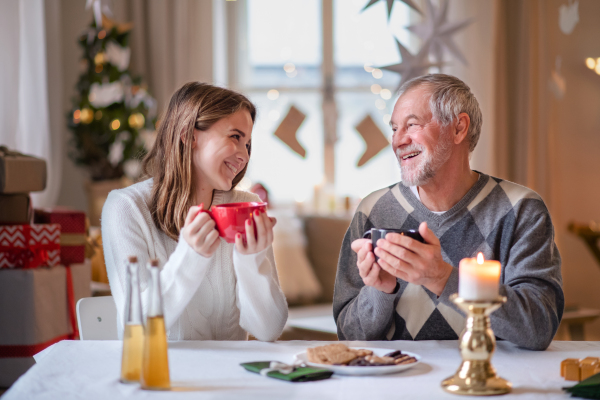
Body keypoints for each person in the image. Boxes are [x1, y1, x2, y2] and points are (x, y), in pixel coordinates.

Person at [333, 74, 563, 350]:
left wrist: (444, 278)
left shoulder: (521, 209)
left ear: (458, 128)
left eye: (412, 125)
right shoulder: (374, 210)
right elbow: (347, 337)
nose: (398, 141)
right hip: (399, 383)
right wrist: (380, 292)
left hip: (491, 385)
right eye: (395, 129)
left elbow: (538, 328)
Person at [102, 82, 288, 342]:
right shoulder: (127, 209)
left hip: (232, 377)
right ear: (189, 135)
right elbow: (138, 328)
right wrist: (190, 256)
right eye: (235, 137)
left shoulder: (245, 206)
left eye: (247, 144)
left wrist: (252, 260)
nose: (244, 156)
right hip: (164, 377)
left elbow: (268, 330)